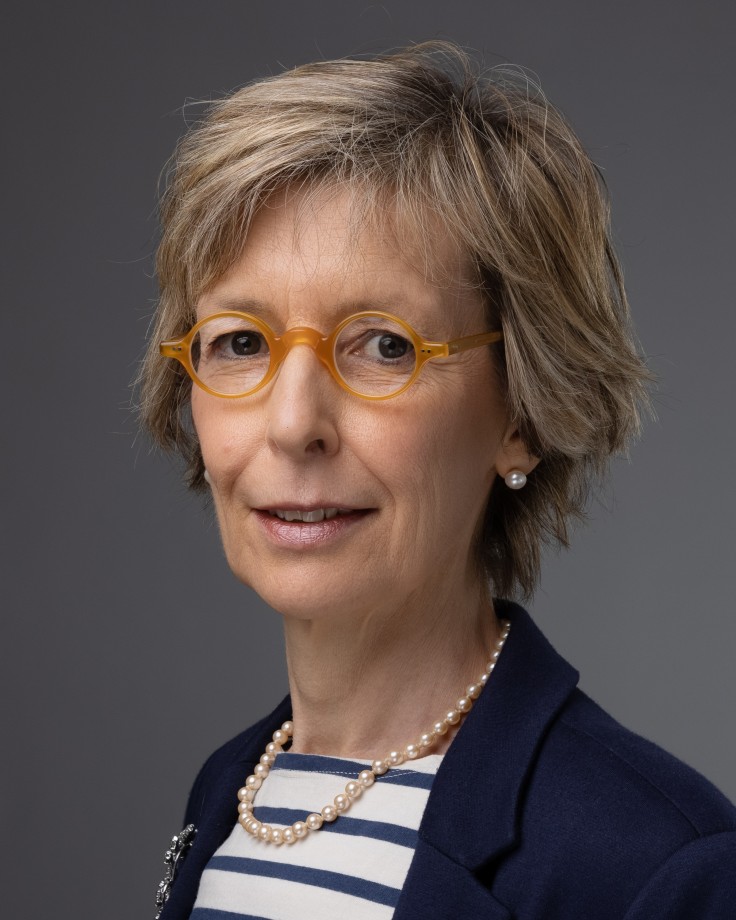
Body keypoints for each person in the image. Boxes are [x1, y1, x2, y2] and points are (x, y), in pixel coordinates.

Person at [140, 42, 736, 920]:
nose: (293, 422)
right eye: (240, 342)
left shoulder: (659, 866)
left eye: (384, 345)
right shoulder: (229, 797)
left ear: (522, 417)